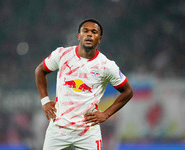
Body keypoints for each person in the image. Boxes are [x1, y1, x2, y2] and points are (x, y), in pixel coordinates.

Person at [35, 18, 133, 150]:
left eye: (94, 32)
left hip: (88, 132)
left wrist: (106, 114)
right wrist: (45, 101)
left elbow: (128, 91)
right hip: (58, 129)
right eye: (85, 31)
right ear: (79, 36)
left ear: (99, 39)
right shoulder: (62, 54)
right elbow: (40, 71)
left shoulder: (106, 66)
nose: (89, 34)